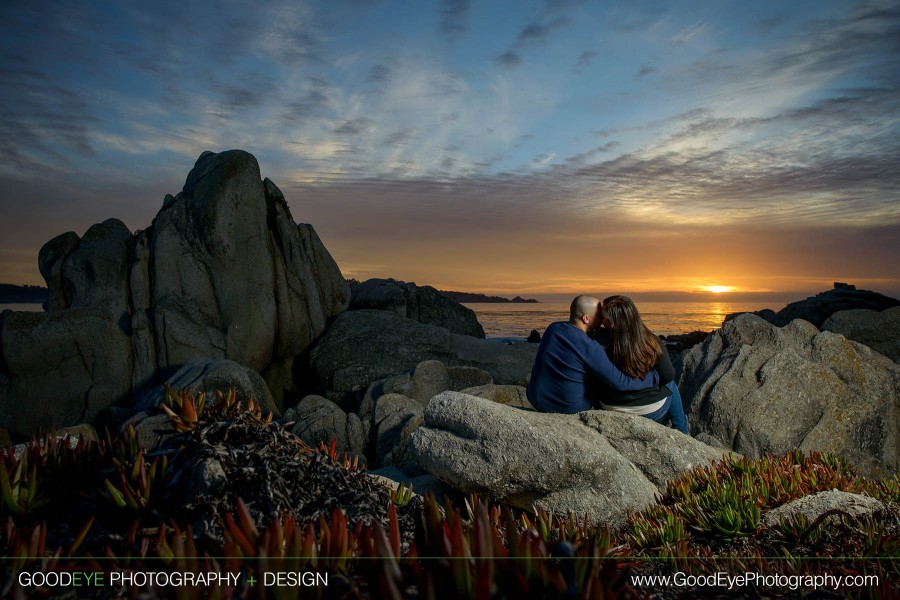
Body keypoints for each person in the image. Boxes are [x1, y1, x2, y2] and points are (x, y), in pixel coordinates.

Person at [526, 295, 660, 414]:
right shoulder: (589, 346)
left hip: (535, 398)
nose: (603, 320)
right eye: (599, 315)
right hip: (568, 407)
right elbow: (620, 382)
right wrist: (652, 377)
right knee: (599, 381)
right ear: (586, 318)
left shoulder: (553, 328)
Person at [591, 295, 689, 434]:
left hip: (611, 406)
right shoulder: (649, 339)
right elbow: (668, 375)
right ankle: (682, 431)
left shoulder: (596, 341)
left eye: (602, 315)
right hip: (650, 410)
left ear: (611, 320)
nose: (601, 319)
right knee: (670, 383)